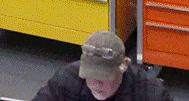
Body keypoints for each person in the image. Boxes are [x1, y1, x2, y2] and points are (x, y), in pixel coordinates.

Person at [31, 31, 171, 101]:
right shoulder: (66, 81)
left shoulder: (150, 94)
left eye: (103, 77)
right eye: (90, 75)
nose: (95, 84)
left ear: (123, 67)